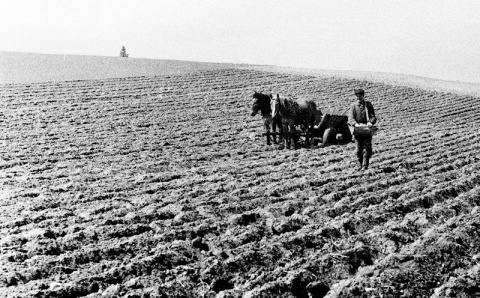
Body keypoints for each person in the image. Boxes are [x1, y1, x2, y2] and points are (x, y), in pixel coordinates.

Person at [348, 88, 377, 170]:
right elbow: (350, 118)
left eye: (360, 96)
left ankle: (365, 166)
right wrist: (355, 124)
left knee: (367, 148)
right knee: (358, 149)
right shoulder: (353, 106)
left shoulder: (368, 105)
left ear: (363, 96)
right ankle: (359, 165)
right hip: (357, 130)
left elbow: (373, 117)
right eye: (357, 96)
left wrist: (371, 122)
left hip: (367, 129)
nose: (359, 98)